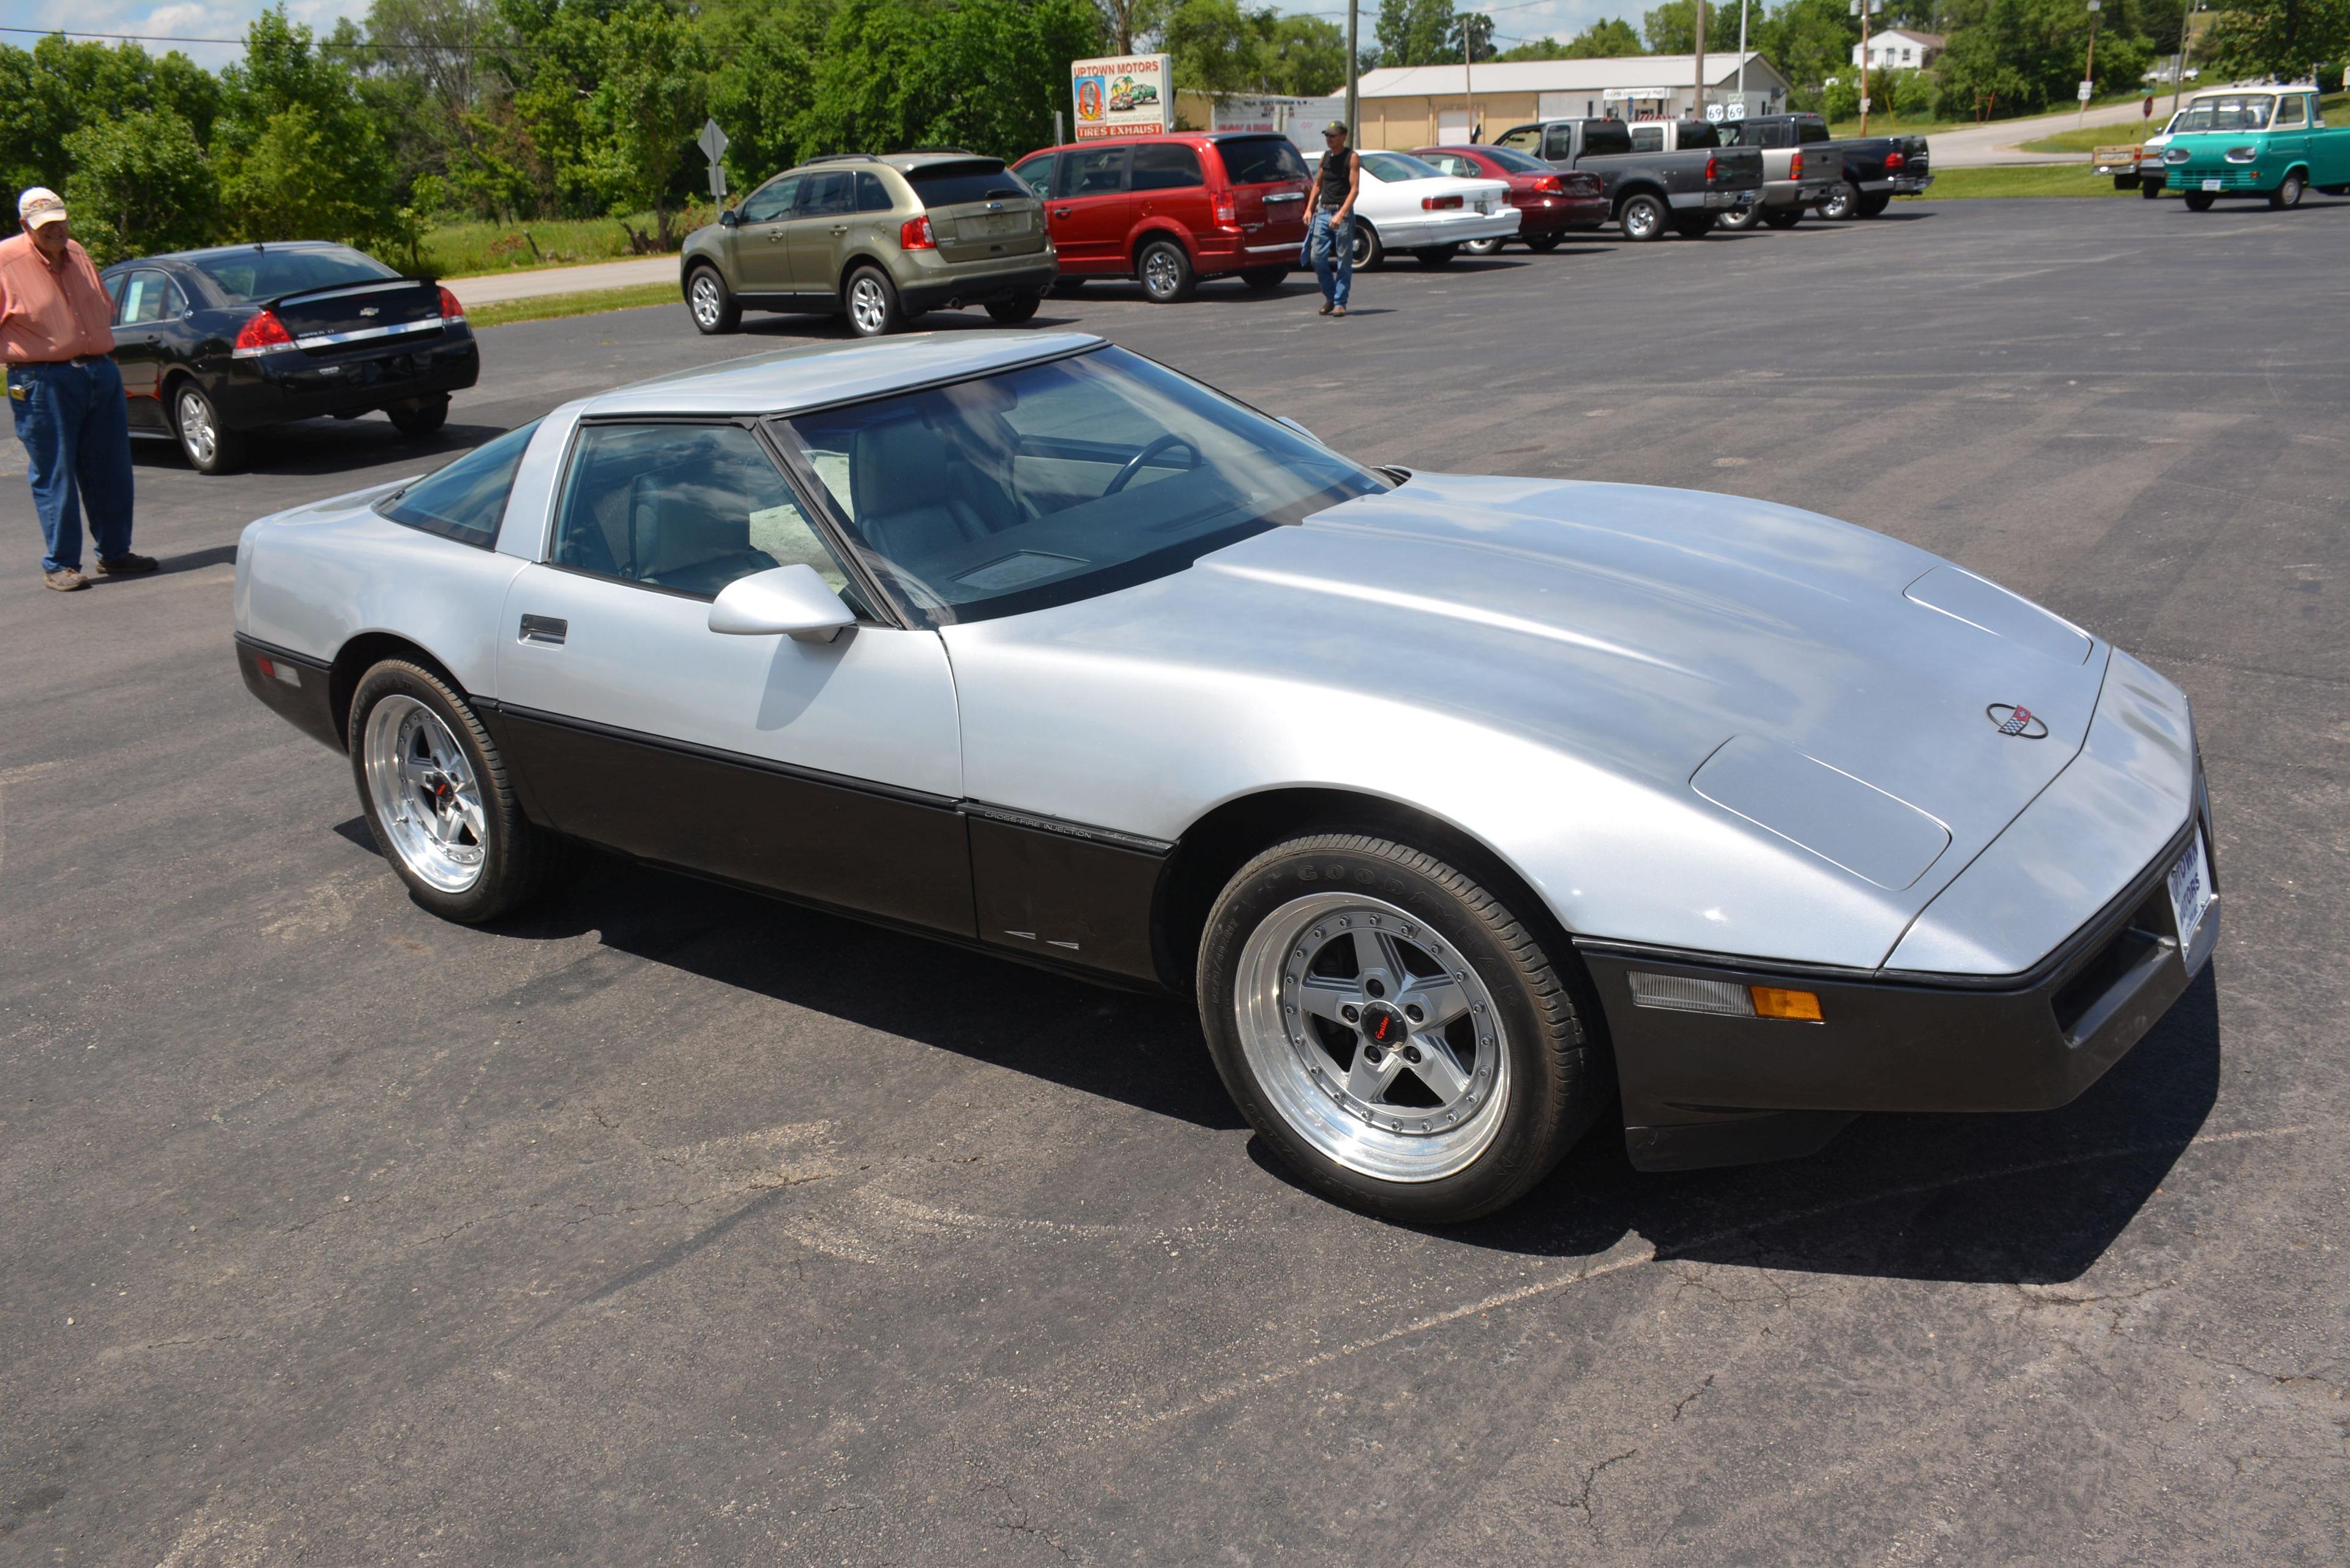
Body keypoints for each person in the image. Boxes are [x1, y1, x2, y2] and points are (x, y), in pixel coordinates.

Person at [2, 187, 151, 592]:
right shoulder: (5, 261)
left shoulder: (78, 252)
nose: (56, 230)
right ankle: (61, 564)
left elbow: (102, 306)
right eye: (45, 225)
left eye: (60, 221)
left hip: (98, 373)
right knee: (57, 473)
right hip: (41, 379)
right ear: (25, 226)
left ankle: (116, 553)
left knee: (111, 468)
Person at [1307, 121, 1360, 319]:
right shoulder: (1325, 157)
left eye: (1333, 135)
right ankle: (1330, 296)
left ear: (1343, 136)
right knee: (1316, 257)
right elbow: (1318, 185)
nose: (1329, 139)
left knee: (1343, 260)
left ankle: (1340, 302)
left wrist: (1341, 214)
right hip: (1323, 213)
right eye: (1327, 135)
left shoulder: (1351, 158)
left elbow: (1354, 190)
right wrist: (1309, 209)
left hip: (1341, 215)